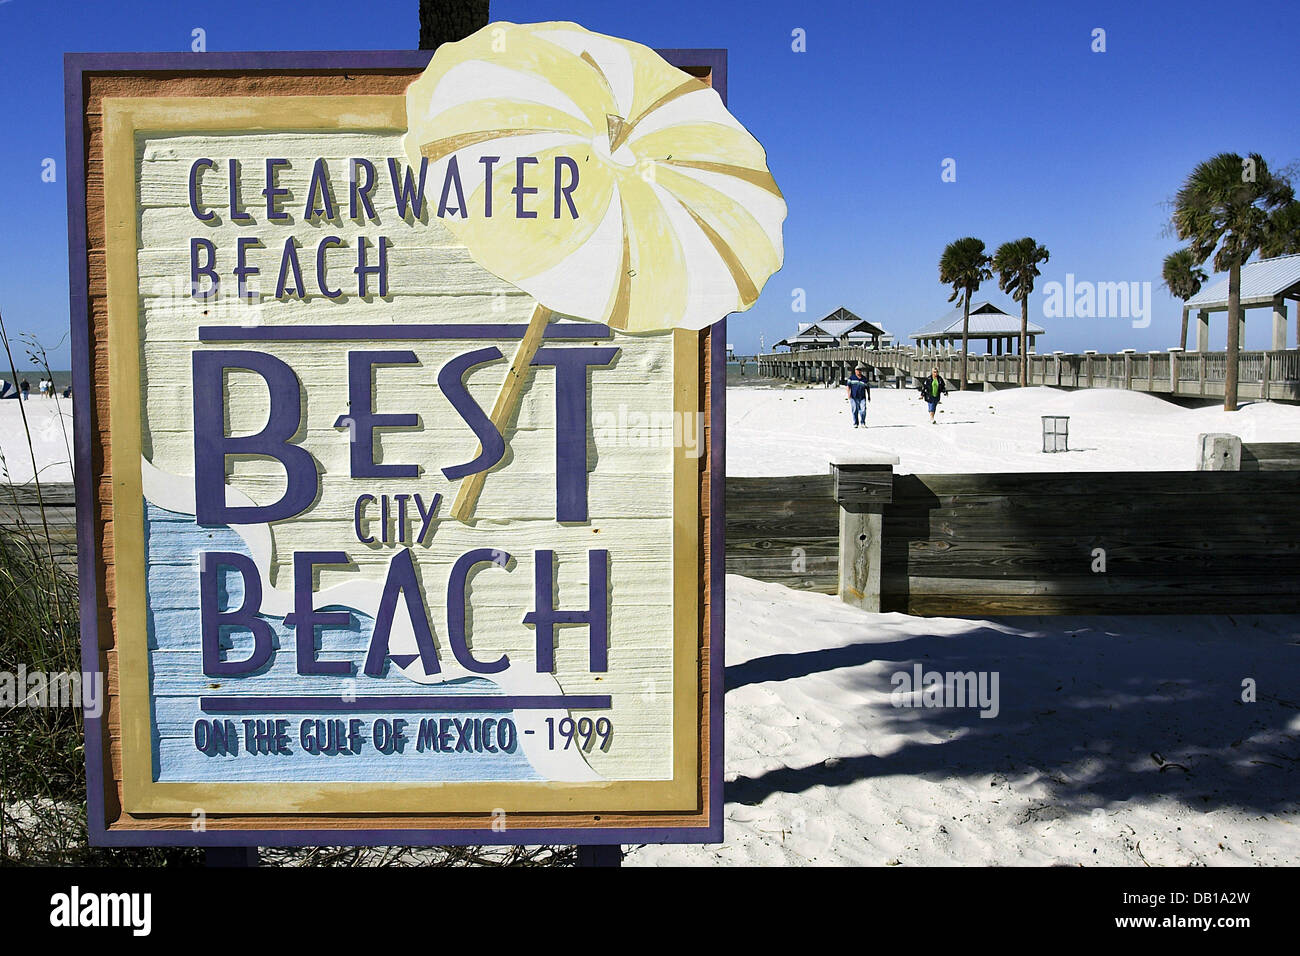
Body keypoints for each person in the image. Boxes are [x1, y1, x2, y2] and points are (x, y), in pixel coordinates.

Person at [846, 364, 871, 428]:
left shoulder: (864, 379)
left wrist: (869, 396)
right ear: (855, 371)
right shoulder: (852, 378)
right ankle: (855, 423)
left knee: (863, 410)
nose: (859, 371)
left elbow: (868, 388)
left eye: (860, 370)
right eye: (857, 370)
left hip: (862, 397)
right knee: (854, 410)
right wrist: (848, 394)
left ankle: (862, 422)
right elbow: (848, 386)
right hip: (853, 397)